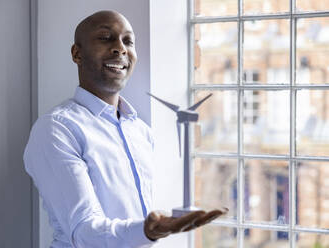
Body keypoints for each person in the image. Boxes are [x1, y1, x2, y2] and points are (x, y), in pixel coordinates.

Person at [23, 10, 227, 248]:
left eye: (128, 41)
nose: (120, 48)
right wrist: (148, 231)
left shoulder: (140, 131)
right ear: (77, 54)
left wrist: (154, 230)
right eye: (105, 38)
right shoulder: (57, 129)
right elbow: (84, 231)